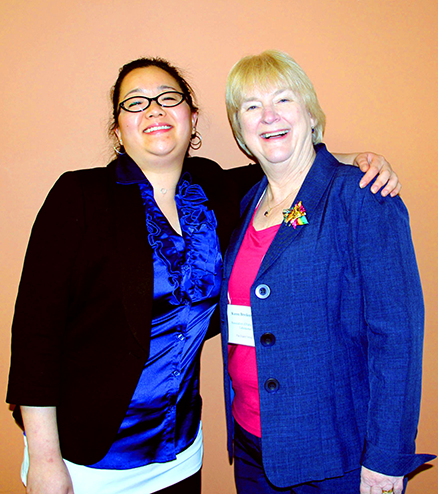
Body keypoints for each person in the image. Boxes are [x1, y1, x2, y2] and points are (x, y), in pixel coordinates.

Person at [7, 56, 399, 494]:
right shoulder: (78, 197)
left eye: (168, 98)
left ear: (192, 119)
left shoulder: (213, 187)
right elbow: (34, 338)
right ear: (118, 130)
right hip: (89, 458)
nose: (154, 110)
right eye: (134, 103)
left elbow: (285, 166)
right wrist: (45, 460)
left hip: (180, 451)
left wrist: (360, 162)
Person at [220, 50, 435, 494]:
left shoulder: (361, 195)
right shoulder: (246, 205)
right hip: (251, 450)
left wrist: (386, 459)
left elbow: (398, 336)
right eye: (251, 107)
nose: (269, 117)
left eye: (283, 100)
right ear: (240, 130)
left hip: (334, 460)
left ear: (310, 113)